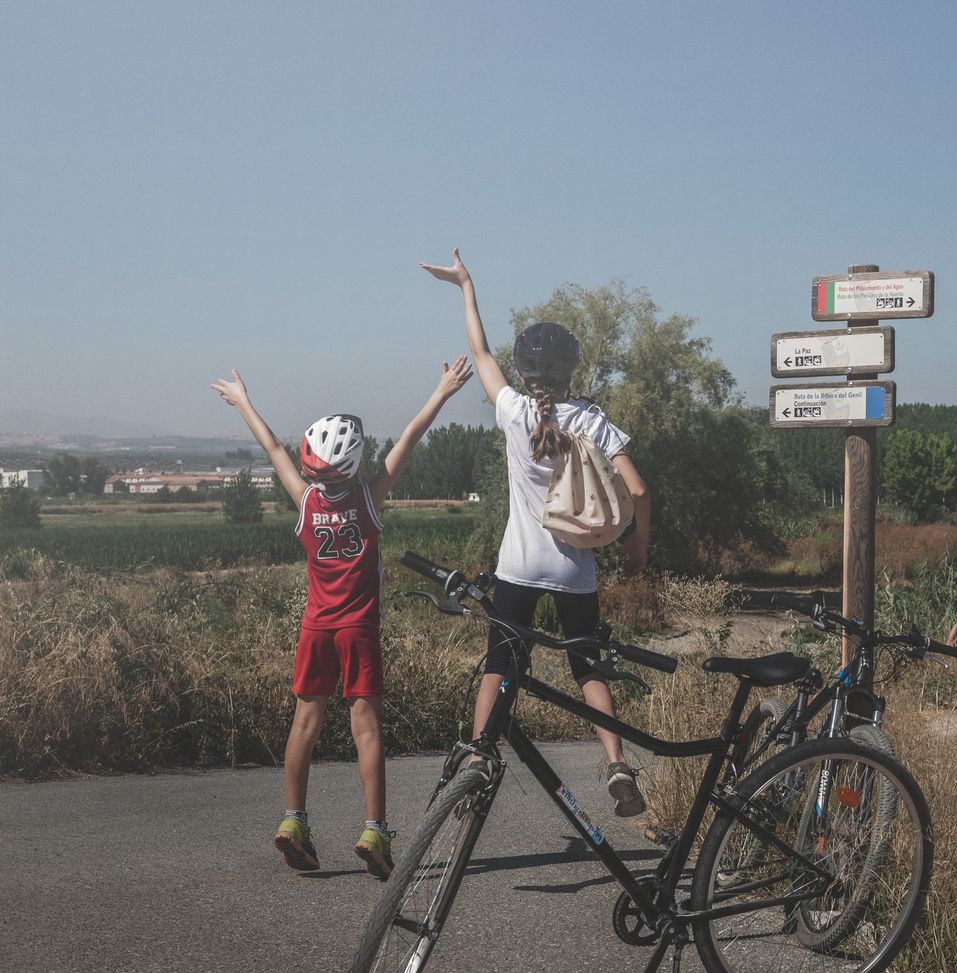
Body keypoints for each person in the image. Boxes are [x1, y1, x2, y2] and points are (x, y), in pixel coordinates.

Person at [211, 358, 473, 878]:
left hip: (315, 629)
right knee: (366, 729)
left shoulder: (306, 501)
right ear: (354, 464)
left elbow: (272, 449)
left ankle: (292, 822)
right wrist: (442, 391)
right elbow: (409, 439)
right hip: (359, 629)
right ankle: (375, 830)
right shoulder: (370, 499)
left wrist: (244, 402)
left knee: (304, 724)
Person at [421, 249, 652, 816]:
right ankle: (617, 763)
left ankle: (478, 756)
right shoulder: (593, 421)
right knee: (586, 665)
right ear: (572, 371)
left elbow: (479, 352)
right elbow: (640, 492)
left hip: (519, 567)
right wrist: (638, 545)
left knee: (501, 662)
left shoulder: (515, 413)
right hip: (576, 570)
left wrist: (466, 286)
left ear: (524, 373)